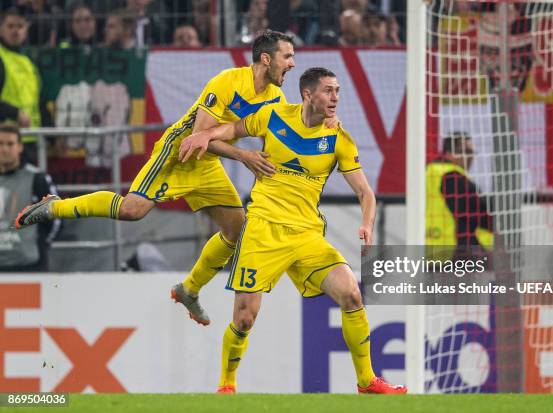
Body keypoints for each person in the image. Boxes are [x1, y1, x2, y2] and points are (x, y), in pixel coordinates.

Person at [15, 31, 297, 327]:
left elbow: (280, 143)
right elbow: (200, 138)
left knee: (237, 231)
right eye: (287, 56)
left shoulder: (275, 98)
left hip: (209, 165)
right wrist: (245, 157)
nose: (292, 64)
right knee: (131, 210)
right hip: (179, 152)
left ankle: (189, 289)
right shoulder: (228, 81)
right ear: (266, 59)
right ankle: (54, 206)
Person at [178, 67, 407, 394]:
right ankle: (226, 387)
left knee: (352, 294)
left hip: (306, 236)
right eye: (328, 91)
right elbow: (233, 127)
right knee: (244, 318)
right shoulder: (272, 116)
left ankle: (366, 381)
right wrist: (205, 134)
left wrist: (366, 223)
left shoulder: (338, 138)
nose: (335, 98)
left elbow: (365, 193)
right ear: (307, 94)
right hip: (263, 229)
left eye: (338, 91)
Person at [0, 124, 60, 272]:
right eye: (0, 144)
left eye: (10, 144)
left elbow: (57, 216)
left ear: (20, 147)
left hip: (29, 266)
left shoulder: (37, 178)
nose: (5, 149)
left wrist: (40, 244)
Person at [425, 131, 494, 260]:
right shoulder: (453, 177)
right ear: (449, 153)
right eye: (466, 151)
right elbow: (475, 214)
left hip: (430, 248)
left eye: (471, 152)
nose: (470, 157)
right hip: (456, 252)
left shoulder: (428, 172)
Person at [0, 7, 45, 162]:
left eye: (20, 26)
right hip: (6, 141)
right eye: (10, 26)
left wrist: (53, 137)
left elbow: (38, 101)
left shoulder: (29, 61)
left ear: (26, 30)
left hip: (31, 140)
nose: (15, 31)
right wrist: (15, 113)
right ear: (1, 29)